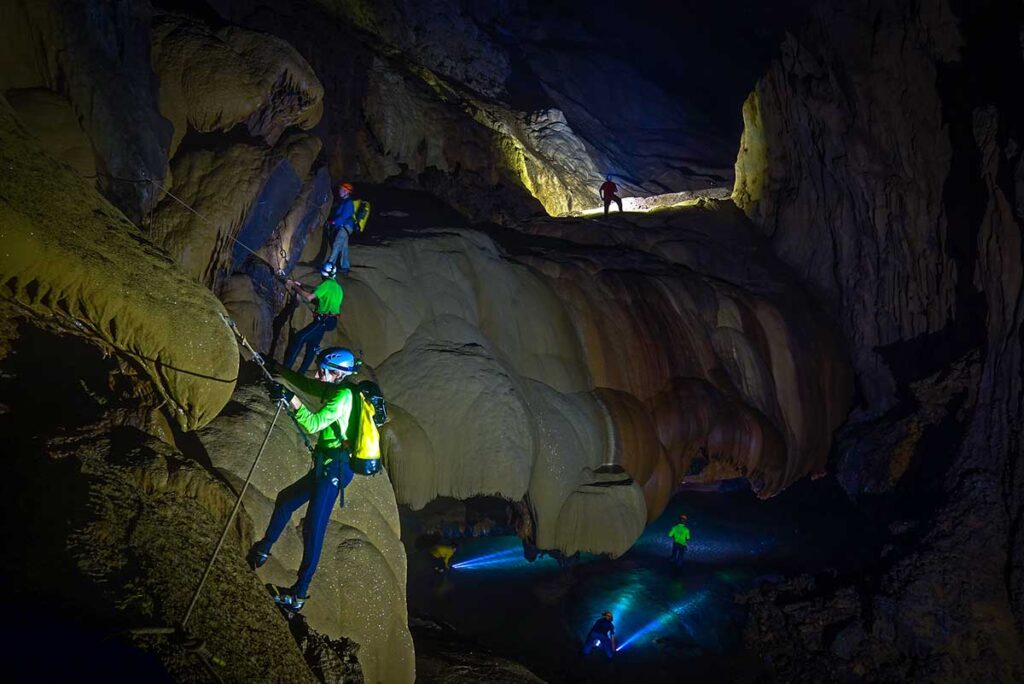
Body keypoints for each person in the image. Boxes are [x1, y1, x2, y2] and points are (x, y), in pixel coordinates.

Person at [246, 348, 360, 612]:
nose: (318, 373)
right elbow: (309, 384)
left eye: (323, 370)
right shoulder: (334, 389)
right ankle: (263, 549)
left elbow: (313, 423)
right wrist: (281, 372)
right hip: (325, 465)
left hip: (335, 469)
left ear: (337, 374)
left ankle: (299, 594)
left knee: (313, 527)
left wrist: (291, 400)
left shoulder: (342, 396)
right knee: (286, 500)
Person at [283, 263, 343, 375]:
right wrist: (301, 288)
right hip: (329, 321)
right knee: (312, 346)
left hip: (324, 320)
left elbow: (309, 297)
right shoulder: (338, 288)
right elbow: (318, 301)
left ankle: (285, 371)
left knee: (298, 338)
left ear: (323, 274)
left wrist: (293, 285)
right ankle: (300, 375)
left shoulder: (326, 284)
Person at [324, 182, 356, 275]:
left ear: (347, 192)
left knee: (337, 244)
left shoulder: (349, 202)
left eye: (342, 190)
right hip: (344, 226)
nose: (340, 191)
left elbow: (344, 216)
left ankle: (329, 265)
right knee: (344, 247)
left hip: (345, 226)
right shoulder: (343, 202)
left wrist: (333, 222)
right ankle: (345, 267)